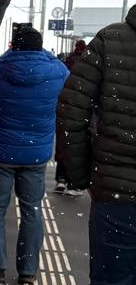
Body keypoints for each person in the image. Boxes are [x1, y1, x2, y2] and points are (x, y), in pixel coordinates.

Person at [57, 11, 136, 285]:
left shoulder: (111, 41)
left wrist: (84, 173)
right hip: (115, 193)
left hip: (118, 198)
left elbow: (71, 110)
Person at [0, 26, 68, 285]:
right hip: (35, 155)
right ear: (40, 48)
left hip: (0, 153)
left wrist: (9, 54)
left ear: (13, 46)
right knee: (32, 210)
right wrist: (45, 55)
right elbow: (61, 68)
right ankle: (27, 271)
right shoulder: (57, 74)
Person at [55, 39, 88, 192]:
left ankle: (61, 179)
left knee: (63, 144)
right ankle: (73, 183)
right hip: (82, 110)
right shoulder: (88, 63)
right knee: (77, 146)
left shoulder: (68, 61)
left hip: (65, 106)